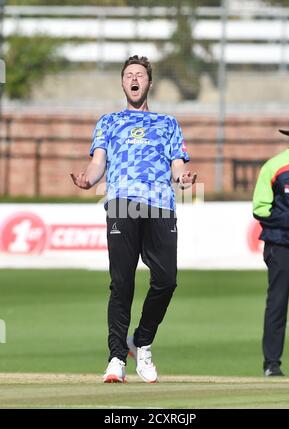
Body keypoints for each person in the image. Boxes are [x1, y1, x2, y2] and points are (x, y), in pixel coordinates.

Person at [71, 55, 196, 383]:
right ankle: (116, 357)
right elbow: (99, 163)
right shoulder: (108, 122)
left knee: (167, 280)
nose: (134, 79)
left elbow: (178, 165)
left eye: (140, 74)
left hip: (160, 206)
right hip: (122, 205)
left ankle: (141, 340)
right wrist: (89, 179)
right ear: (123, 82)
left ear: (149, 83)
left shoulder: (168, 123)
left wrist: (182, 179)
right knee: (122, 281)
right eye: (129, 75)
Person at [253, 116, 289, 377]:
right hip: (280, 244)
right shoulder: (276, 166)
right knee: (278, 304)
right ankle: (272, 364)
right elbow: (260, 209)